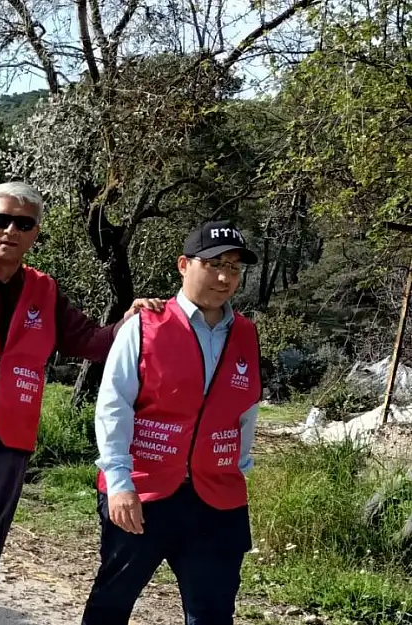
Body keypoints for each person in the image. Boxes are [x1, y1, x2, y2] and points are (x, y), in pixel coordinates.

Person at [0, 181, 164, 625]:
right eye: (0, 220)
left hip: (11, 446)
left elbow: (92, 343)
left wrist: (130, 322)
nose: (10, 230)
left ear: (35, 233)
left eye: (23, 223)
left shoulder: (45, 291)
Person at [81, 220, 261, 625]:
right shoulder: (145, 326)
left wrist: (240, 466)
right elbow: (113, 406)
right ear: (184, 265)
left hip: (217, 499)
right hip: (144, 493)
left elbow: (246, 409)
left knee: (212, 612)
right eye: (214, 263)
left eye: (234, 267)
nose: (224, 276)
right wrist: (119, 482)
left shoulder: (247, 333)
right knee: (112, 603)